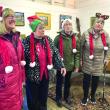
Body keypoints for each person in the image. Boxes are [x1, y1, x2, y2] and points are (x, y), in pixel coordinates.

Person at [23, 15, 66, 110]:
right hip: (32, 77)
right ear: (34, 29)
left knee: (43, 98)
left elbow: (55, 52)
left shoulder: (47, 39)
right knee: (33, 100)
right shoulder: (26, 41)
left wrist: (61, 66)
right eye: (40, 28)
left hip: (45, 75)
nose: (43, 30)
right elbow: (22, 59)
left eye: (44, 28)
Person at [80, 13, 110, 106]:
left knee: (95, 81)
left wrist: (107, 58)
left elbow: (108, 47)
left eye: (102, 23)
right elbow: (80, 47)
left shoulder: (106, 34)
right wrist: (81, 59)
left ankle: (92, 96)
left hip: (99, 62)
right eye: (98, 22)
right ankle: (85, 96)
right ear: (94, 23)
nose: (99, 24)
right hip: (87, 61)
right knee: (86, 80)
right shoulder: (85, 33)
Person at [0, 7, 26, 110]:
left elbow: (20, 60)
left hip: (17, 84)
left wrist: (22, 78)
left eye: (14, 17)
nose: (13, 19)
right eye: (9, 16)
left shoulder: (16, 38)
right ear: (2, 20)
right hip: (5, 89)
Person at [54, 19, 80, 107]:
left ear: (72, 26)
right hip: (60, 66)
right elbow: (54, 52)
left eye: (69, 24)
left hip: (70, 65)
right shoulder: (58, 38)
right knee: (59, 82)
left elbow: (77, 53)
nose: (68, 26)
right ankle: (58, 98)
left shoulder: (76, 38)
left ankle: (66, 97)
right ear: (63, 27)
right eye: (66, 25)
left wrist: (76, 65)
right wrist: (57, 64)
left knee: (68, 83)